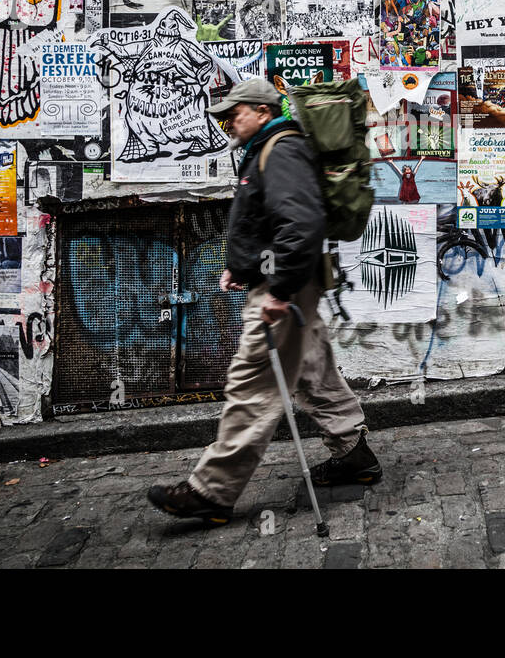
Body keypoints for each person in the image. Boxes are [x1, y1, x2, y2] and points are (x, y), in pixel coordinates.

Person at [147, 78, 381, 525]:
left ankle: (212, 492)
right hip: (288, 281)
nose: (227, 123)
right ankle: (353, 452)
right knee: (312, 370)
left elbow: (302, 223)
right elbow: (271, 223)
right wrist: (245, 266)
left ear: (260, 109)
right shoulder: (266, 149)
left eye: (234, 113)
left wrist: (277, 290)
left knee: (252, 384)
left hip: (286, 289)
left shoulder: (282, 149)